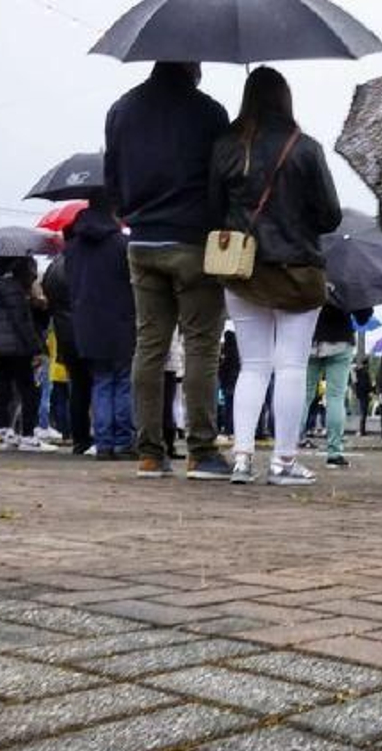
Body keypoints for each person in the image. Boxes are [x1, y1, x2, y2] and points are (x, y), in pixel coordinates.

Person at [207, 67, 342, 487]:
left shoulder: (227, 146)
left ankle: (243, 456)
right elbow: (330, 215)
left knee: (252, 366)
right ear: (286, 99)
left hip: (243, 269)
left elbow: (214, 210)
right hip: (298, 270)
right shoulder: (305, 148)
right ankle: (283, 461)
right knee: (291, 367)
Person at [105, 60, 232, 480]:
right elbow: (222, 179)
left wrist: (132, 213)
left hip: (141, 240)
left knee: (149, 346)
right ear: (191, 64)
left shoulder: (121, 110)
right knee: (200, 346)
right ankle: (201, 450)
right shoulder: (209, 113)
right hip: (193, 241)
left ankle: (148, 452)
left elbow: (112, 180)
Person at [64, 199, 138, 460]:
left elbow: (69, 285)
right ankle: (123, 442)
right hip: (121, 321)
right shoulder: (123, 245)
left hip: (86, 323)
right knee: (122, 382)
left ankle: (103, 442)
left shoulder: (72, 248)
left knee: (101, 382)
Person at [0, 258, 56, 453]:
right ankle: (27, 435)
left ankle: (5, 432)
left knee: (2, 389)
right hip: (17, 347)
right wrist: (36, 348)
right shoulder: (11, 287)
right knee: (29, 391)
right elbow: (22, 322)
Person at [41, 247, 93, 455]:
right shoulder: (83, 263)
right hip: (88, 330)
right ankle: (98, 437)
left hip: (65, 335)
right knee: (98, 384)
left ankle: (80, 439)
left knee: (77, 388)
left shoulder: (52, 268)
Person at [309, 302, 357, 469]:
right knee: (335, 397)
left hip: (310, 337)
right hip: (341, 337)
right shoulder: (346, 278)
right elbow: (363, 314)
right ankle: (334, 452)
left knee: (303, 396)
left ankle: (286, 449)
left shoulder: (309, 274)